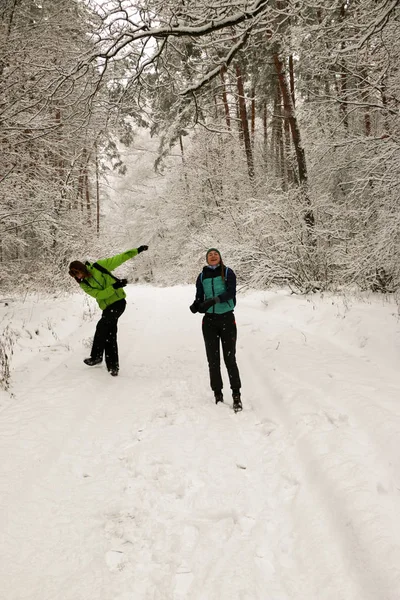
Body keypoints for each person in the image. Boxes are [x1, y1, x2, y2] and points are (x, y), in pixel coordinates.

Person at [68, 246, 149, 376]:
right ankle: (113, 367)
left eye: (77, 272)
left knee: (101, 326)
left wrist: (137, 250)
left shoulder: (99, 266)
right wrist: (114, 286)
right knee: (110, 335)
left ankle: (97, 357)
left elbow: (120, 258)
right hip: (106, 308)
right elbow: (99, 295)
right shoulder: (84, 284)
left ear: (82, 268)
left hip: (118, 303)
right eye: (75, 275)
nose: (78, 276)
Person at [190, 248, 242, 412]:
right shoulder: (202, 276)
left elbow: (231, 292)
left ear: (220, 258)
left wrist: (214, 300)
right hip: (209, 322)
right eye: (210, 255)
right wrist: (196, 305)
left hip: (226, 318)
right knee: (213, 360)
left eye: (216, 254)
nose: (213, 256)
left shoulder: (227, 272)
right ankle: (217, 394)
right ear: (207, 259)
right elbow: (199, 295)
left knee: (230, 359)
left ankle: (236, 395)